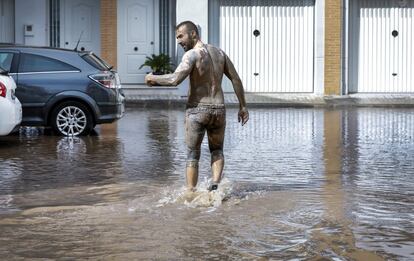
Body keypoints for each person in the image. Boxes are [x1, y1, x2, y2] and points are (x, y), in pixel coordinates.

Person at [145, 20, 249, 191]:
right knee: (217, 150)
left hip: (197, 110)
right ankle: (215, 186)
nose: (178, 41)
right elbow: (236, 79)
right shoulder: (220, 53)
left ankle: (191, 193)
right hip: (219, 110)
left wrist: (152, 78)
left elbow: (174, 79)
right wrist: (243, 106)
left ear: (193, 34)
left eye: (181, 36)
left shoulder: (192, 55)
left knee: (193, 154)